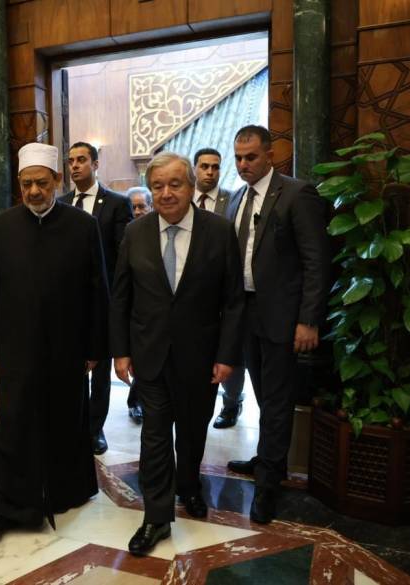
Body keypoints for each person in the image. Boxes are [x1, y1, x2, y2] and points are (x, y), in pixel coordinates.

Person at [110, 152, 245, 556]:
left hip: (201, 357)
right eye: (157, 186)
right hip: (149, 354)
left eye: (175, 184)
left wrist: (226, 355)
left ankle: (189, 484)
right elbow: (121, 297)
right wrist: (120, 351)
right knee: (154, 435)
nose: (166, 193)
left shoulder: (219, 231)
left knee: (192, 430)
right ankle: (156, 517)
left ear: (191, 186)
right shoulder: (135, 232)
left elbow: (233, 301)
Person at [0, 142, 109, 539]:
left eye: (42, 183)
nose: (34, 191)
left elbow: (97, 290)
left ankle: (66, 490)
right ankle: (7, 505)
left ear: (57, 180)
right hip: (16, 347)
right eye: (26, 184)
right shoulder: (2, 226)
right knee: (13, 422)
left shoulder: (83, 226)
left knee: (66, 418)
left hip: (68, 347)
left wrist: (95, 348)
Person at [225, 125, 331, 524]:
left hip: (284, 317)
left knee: (277, 400)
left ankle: (269, 482)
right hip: (247, 313)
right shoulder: (237, 198)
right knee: (263, 394)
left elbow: (316, 260)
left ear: (270, 154)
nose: (243, 164)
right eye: (238, 157)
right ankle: (268, 459)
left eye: (251, 157)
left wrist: (308, 320)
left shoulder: (296, 193)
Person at [60, 141, 133, 454]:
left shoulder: (116, 204)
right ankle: (73, 424)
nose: (75, 165)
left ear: (95, 163)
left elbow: (123, 255)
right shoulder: (61, 203)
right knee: (71, 366)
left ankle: (95, 429)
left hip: (102, 301)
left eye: (81, 160)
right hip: (68, 304)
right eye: (71, 161)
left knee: (100, 371)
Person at [191, 147, 247, 429]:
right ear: (195, 168)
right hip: (191, 293)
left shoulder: (232, 200)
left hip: (223, 287)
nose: (210, 172)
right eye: (204, 166)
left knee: (230, 349)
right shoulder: (183, 199)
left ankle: (231, 402)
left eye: (215, 167)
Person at [122, 186, 153, 424]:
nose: (137, 211)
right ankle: (136, 402)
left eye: (141, 206)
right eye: (133, 207)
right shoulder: (128, 234)